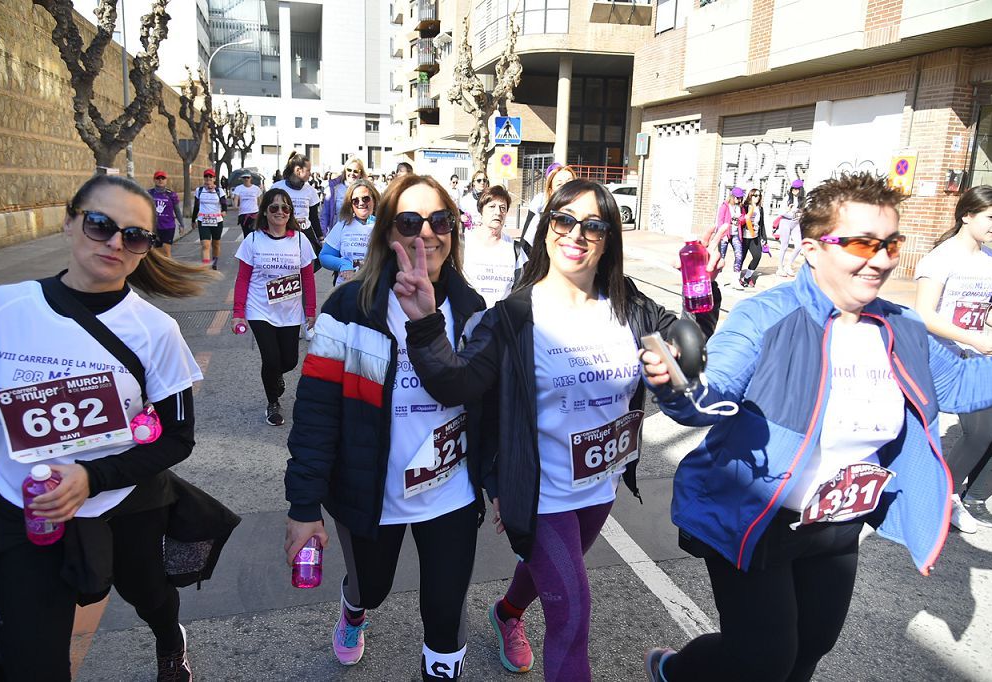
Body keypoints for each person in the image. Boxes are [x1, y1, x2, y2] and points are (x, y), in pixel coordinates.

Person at [640, 172, 992, 682]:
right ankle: (676, 671)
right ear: (811, 249)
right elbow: (706, 398)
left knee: (811, 647)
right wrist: (674, 382)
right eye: (860, 242)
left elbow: (961, 381)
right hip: (756, 514)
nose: (880, 258)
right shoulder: (768, 316)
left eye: (891, 243)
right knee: (764, 659)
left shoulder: (901, 327)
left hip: (838, 521)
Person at [396, 179, 721, 681]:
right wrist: (423, 323)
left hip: (599, 484)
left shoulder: (627, 304)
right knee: (570, 613)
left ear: (609, 238)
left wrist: (694, 318)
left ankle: (506, 613)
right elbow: (457, 383)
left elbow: (679, 343)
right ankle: (517, 618)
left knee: (553, 571)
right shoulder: (512, 318)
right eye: (564, 220)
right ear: (546, 228)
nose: (577, 234)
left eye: (594, 225)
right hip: (542, 493)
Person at [0, 174, 220, 681]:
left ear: (146, 249)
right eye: (100, 225)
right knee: (29, 657)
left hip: (124, 500)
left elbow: (177, 437)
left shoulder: (155, 330)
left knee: (149, 593)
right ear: (69, 223)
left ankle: (170, 641)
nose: (114, 243)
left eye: (134, 236)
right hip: (28, 507)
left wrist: (91, 477)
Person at [284, 174, 486, 680]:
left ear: (453, 232)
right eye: (409, 221)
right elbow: (315, 415)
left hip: (450, 493)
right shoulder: (349, 310)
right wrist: (304, 507)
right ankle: (355, 609)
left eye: (440, 221)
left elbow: (485, 408)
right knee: (371, 587)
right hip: (370, 493)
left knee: (444, 613)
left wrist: (502, 483)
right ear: (386, 235)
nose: (426, 234)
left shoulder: (471, 311)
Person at [913, 184, 992, 533]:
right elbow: (924, 315)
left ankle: (952, 495)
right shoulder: (940, 258)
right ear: (967, 215)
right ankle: (940, 496)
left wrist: (987, 329)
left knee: (985, 432)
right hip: (943, 358)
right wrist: (974, 338)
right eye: (991, 217)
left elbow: (984, 311)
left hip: (978, 357)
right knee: (975, 433)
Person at [231, 189, 317, 427]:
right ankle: (273, 402)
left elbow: (308, 277)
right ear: (265, 211)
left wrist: (310, 310)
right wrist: (239, 313)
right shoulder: (253, 240)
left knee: (288, 360)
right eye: (274, 207)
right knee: (270, 358)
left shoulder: (300, 240)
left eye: (285, 208)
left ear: (290, 213)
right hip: (260, 309)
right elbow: (242, 279)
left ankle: (276, 377)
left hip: (289, 312)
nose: (280, 212)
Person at [461, 184, 528, 307]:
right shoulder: (462, 244)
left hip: (500, 323)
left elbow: (522, 292)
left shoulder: (516, 250)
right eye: (492, 206)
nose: (498, 212)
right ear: (481, 210)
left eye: (503, 208)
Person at [319, 179, 379, 286]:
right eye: (355, 200)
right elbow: (324, 256)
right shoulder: (343, 224)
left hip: (374, 289)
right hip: (346, 288)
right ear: (350, 204)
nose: (361, 203)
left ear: (374, 200)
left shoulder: (383, 225)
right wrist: (343, 264)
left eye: (365, 199)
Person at [521, 164, 578, 253]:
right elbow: (527, 253)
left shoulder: (586, 218)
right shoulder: (540, 221)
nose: (565, 187)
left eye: (569, 182)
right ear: (551, 191)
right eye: (559, 184)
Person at [271, 152, 323, 250]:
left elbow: (314, 217)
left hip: (305, 234)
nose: (310, 174)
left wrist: (320, 238)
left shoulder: (310, 191)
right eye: (308, 170)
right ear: (298, 170)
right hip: (283, 235)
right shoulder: (277, 187)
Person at [320, 157, 367, 238]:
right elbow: (325, 214)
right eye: (349, 170)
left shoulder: (366, 191)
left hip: (357, 236)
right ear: (345, 170)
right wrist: (323, 235)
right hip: (336, 234)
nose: (352, 173)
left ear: (361, 173)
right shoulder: (334, 188)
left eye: (355, 171)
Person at [191, 168, 228, 269]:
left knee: (216, 244)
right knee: (205, 244)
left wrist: (224, 211)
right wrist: (193, 220)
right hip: (203, 221)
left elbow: (224, 204)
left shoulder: (219, 191)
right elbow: (196, 206)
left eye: (210, 177)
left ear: (214, 178)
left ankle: (215, 262)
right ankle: (206, 267)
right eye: (206, 176)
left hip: (217, 221)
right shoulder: (199, 190)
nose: (208, 178)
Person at [148, 170, 185, 258]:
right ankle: (158, 270)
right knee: (155, 252)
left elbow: (177, 211)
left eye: (163, 178)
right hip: (153, 227)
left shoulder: (171, 195)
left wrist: (182, 224)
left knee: (166, 251)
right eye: (158, 178)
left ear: (166, 180)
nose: (160, 180)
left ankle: (169, 269)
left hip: (168, 226)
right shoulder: (149, 193)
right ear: (154, 180)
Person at [776, 179, 806, 277]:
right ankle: (780, 268)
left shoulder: (803, 200)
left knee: (799, 246)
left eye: (797, 189)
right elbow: (782, 213)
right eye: (793, 188)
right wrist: (789, 211)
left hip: (796, 223)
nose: (794, 190)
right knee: (784, 246)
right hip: (785, 222)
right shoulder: (787, 199)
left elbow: (802, 213)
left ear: (800, 189)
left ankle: (788, 265)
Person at [738, 187, 766, 288]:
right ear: (750, 195)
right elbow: (740, 220)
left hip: (755, 236)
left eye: (759, 196)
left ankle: (747, 277)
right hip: (745, 236)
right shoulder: (745, 207)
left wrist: (764, 238)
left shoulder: (760, 209)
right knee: (741, 258)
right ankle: (737, 278)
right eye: (755, 195)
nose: (757, 198)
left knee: (757, 256)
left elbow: (762, 224)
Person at [715, 186, 745, 277]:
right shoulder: (725, 206)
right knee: (721, 257)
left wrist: (741, 219)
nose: (739, 200)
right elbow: (720, 221)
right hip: (725, 234)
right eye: (737, 197)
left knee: (739, 255)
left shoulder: (740, 207)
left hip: (735, 234)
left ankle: (736, 279)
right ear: (732, 196)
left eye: (740, 198)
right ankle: (717, 278)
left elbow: (743, 220)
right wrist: (722, 234)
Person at [234, 170, 262, 237]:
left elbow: (259, 200)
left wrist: (261, 210)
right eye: (244, 178)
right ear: (242, 179)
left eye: (248, 177)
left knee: (254, 232)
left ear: (251, 178)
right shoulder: (238, 188)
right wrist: (235, 206)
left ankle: (254, 246)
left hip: (254, 213)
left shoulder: (256, 188)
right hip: (243, 214)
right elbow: (236, 198)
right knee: (246, 234)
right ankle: (248, 246)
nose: (246, 179)